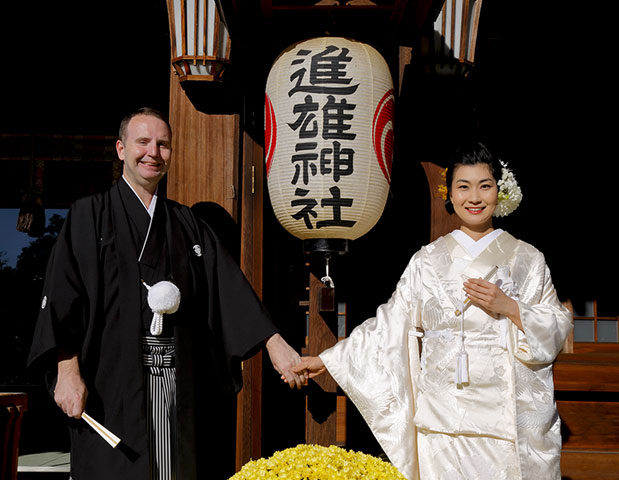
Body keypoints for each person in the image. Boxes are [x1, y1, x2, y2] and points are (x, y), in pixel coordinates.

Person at [28, 107, 304, 480]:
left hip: (175, 382)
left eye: (163, 145)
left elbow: (228, 289)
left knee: (172, 468)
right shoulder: (88, 215)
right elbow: (64, 295)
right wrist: (66, 371)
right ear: (121, 149)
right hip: (109, 383)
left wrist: (274, 344)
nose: (153, 153)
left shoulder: (188, 224)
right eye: (143, 142)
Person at [295, 141, 573, 480]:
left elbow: (555, 325)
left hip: (505, 422)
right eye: (463, 187)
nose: (474, 197)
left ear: (499, 191)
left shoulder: (527, 259)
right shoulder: (426, 261)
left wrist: (509, 306)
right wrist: (328, 359)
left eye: (485, 186)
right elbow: (390, 324)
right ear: (451, 195)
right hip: (443, 419)